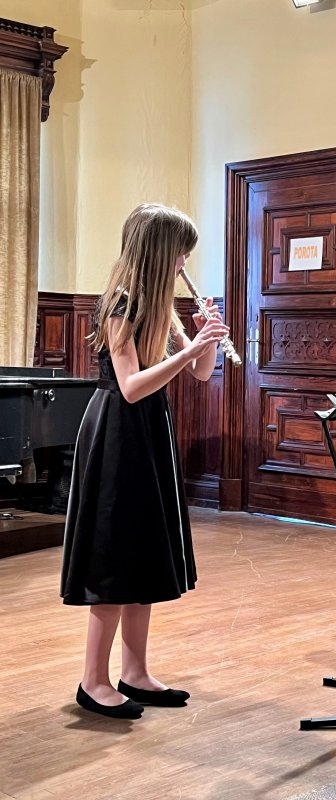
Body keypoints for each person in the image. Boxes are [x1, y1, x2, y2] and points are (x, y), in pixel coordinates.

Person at [60, 203, 231, 718]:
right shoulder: (121, 303)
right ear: (159, 251)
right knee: (114, 558)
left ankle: (134, 673)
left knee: (143, 552)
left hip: (149, 431)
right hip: (117, 431)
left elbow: (201, 374)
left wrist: (206, 339)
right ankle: (93, 681)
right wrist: (189, 350)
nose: (184, 263)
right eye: (181, 253)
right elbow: (132, 386)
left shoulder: (161, 305)